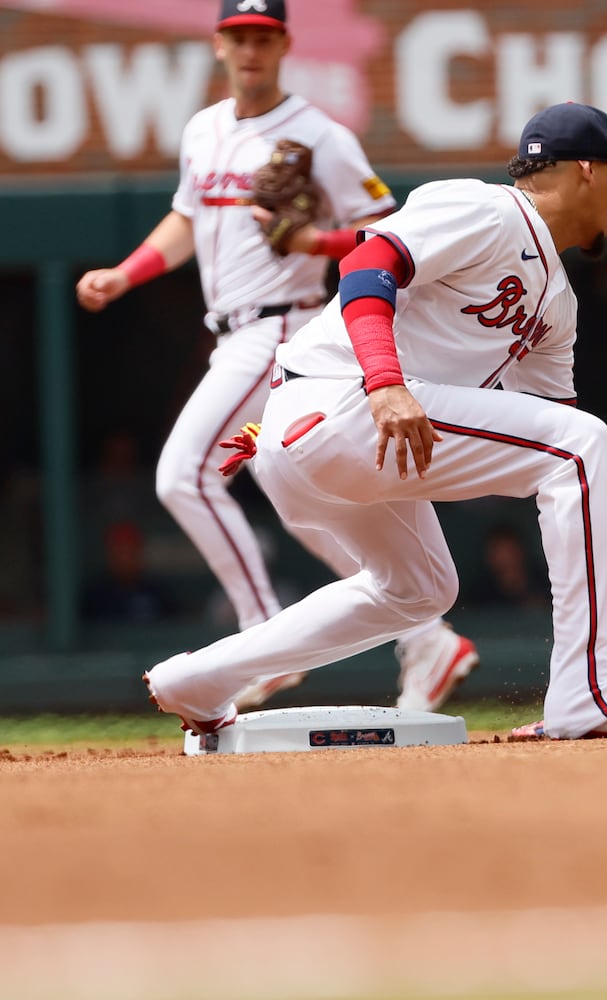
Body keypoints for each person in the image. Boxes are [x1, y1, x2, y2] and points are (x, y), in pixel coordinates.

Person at [145, 100, 607, 740]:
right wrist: (385, 383)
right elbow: (365, 265)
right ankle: (588, 689)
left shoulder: (556, 303)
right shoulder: (487, 207)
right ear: (586, 169)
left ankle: (199, 679)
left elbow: (569, 457)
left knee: (420, 589)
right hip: (346, 402)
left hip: (338, 438)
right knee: (578, 444)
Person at [74, 0, 477, 712]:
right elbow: (186, 217)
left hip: (284, 331)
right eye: (239, 37)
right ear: (220, 45)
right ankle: (427, 636)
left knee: (183, 477)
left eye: (263, 37)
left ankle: (261, 632)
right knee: (307, 515)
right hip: (231, 332)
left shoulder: (320, 136)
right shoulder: (204, 129)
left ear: (285, 44)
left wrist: (314, 241)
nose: (251, 49)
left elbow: (389, 234)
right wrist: (126, 273)